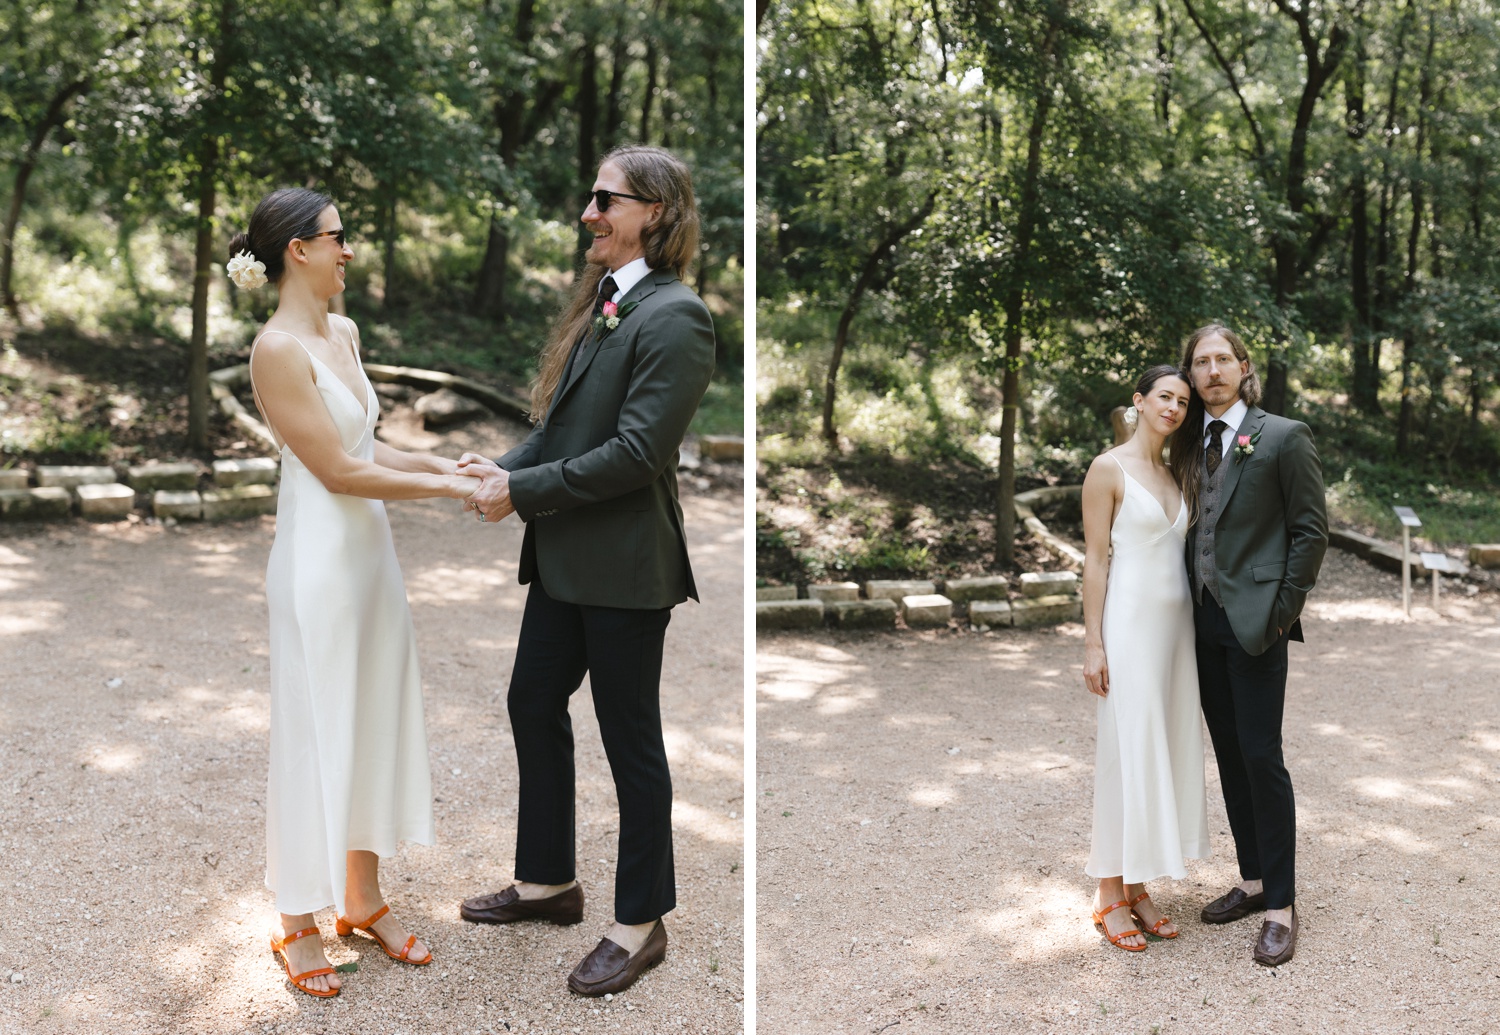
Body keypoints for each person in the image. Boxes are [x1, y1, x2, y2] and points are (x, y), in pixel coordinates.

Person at [455, 144, 715, 997]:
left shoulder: (677, 317)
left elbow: (637, 453)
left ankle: (640, 922)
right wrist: (498, 469)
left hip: (627, 567)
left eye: (607, 199)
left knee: (629, 740)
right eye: (592, 197)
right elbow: (560, 431)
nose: (589, 213)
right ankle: (548, 882)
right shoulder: (606, 302)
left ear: (657, 213)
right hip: (566, 557)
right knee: (532, 699)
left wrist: (522, 490)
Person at [233, 188, 482, 997]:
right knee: (314, 729)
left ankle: (362, 897)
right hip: (318, 565)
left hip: (372, 558)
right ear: (297, 250)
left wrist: (455, 466)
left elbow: (370, 441)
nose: (348, 251)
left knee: (372, 713)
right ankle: (297, 920)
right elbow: (336, 471)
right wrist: (450, 497)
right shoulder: (275, 349)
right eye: (336, 238)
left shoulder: (342, 331)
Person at [1169, 323, 1327, 967]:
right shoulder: (1182, 442)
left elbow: (1311, 532)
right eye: (1200, 362)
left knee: (1262, 755)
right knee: (1230, 754)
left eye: (1222, 360)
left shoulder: (1283, 437)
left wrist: (1280, 610)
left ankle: (1282, 906)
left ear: (1243, 367)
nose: (1211, 371)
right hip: (1198, 622)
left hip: (1257, 622)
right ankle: (1256, 877)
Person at [1081, 364, 1211, 952]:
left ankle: (1136, 884)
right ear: (1139, 400)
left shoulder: (1179, 472)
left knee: (1161, 748)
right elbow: (1096, 561)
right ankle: (1109, 889)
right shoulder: (1107, 468)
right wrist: (1092, 642)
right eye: (1165, 397)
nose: (1175, 408)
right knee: (1124, 751)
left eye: (1183, 401)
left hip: (1177, 633)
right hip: (1129, 627)